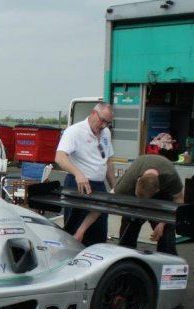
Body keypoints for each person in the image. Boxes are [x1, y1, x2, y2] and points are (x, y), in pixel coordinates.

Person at [73, 154, 184, 254]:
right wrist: (80, 230)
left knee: (166, 236)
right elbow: (103, 205)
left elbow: (179, 201)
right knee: (128, 229)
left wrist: (162, 223)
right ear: (138, 180)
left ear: (157, 190)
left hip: (162, 199)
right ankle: (125, 257)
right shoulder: (128, 181)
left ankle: (167, 267)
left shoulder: (170, 176)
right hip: (134, 199)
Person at [54, 102, 116, 246]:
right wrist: (78, 173)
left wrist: (115, 187)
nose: (104, 125)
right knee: (74, 231)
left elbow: (108, 162)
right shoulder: (75, 131)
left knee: (99, 231)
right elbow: (60, 157)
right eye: (102, 121)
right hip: (78, 185)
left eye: (108, 123)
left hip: (99, 186)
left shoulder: (105, 133)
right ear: (93, 113)